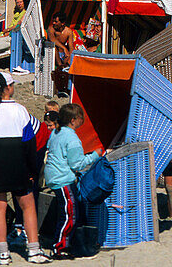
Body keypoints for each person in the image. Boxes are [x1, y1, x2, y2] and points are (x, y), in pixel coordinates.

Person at [0, 73, 48, 265]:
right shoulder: (20, 110)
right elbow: (29, 143)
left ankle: (3, 254)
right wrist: (33, 171)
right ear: (8, 87)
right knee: (28, 206)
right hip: (17, 163)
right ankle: (33, 251)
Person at [43, 103, 100, 259]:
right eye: (82, 118)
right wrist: (95, 155)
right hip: (62, 179)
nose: (83, 121)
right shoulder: (72, 138)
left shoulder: (57, 132)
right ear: (74, 120)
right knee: (70, 215)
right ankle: (58, 248)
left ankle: (68, 244)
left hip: (55, 176)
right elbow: (77, 164)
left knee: (70, 212)